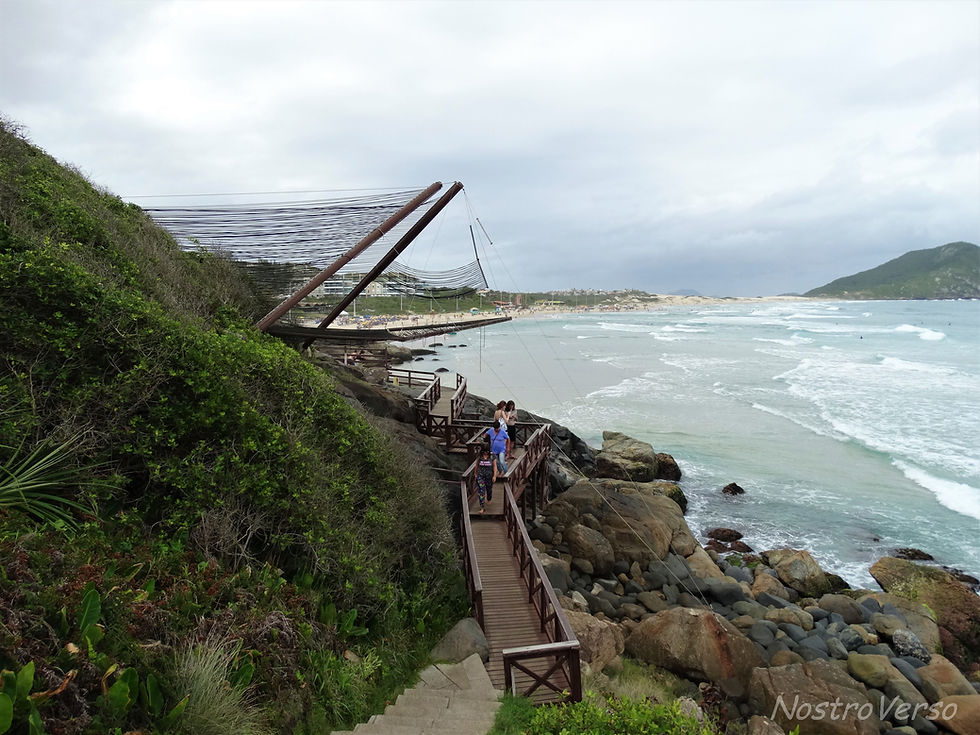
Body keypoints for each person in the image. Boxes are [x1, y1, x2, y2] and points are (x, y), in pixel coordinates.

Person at [475, 443, 497, 514]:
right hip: (480, 476)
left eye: (487, 451)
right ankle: (482, 507)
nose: (485, 453)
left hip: (489, 476)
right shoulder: (479, 456)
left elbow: (494, 466)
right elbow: (476, 465)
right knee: (481, 491)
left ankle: (489, 498)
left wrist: (494, 476)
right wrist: (475, 474)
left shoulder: (492, 456)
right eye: (484, 451)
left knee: (489, 489)